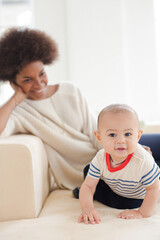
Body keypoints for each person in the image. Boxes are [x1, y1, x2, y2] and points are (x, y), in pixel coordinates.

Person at [0, 27, 101, 190]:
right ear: (13, 82)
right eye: (27, 79)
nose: (39, 84)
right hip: (89, 174)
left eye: (42, 73)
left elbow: (97, 131)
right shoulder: (19, 113)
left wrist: (126, 156)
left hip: (108, 157)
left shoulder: (70, 91)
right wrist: (14, 99)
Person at [77, 104, 160, 224]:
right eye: (112, 135)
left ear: (138, 136)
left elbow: (153, 188)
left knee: (120, 203)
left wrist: (141, 213)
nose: (121, 140)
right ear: (99, 138)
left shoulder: (142, 161)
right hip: (116, 183)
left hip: (135, 197)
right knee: (88, 170)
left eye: (127, 134)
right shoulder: (100, 157)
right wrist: (87, 207)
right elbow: (88, 186)